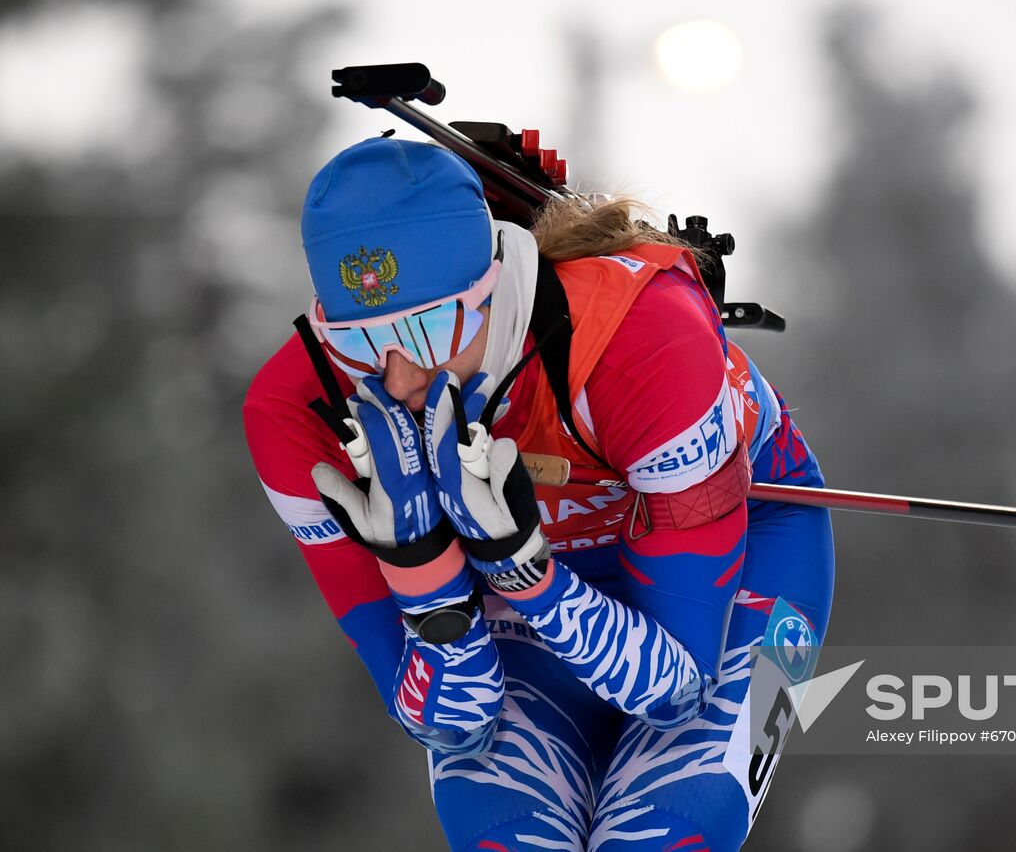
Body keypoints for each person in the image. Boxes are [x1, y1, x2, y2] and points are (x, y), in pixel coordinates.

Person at [243, 136, 834, 851]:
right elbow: (449, 722)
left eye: (430, 328)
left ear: (494, 284)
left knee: (668, 834)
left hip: (747, 572)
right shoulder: (294, 410)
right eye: (359, 342)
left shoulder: (640, 340)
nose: (398, 379)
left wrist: (522, 568)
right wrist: (424, 570)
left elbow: (676, 690)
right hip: (519, 599)